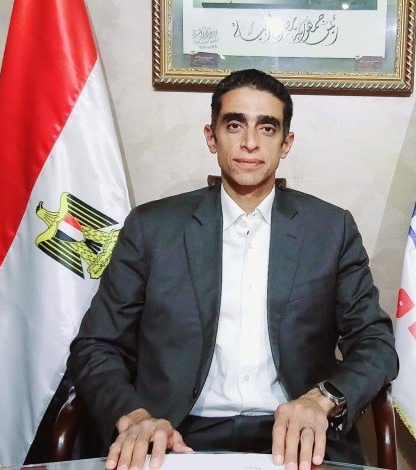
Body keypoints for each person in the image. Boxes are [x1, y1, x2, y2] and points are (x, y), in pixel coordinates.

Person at [67, 69, 398, 470]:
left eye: (267, 128)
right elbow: (96, 345)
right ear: (211, 137)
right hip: (175, 435)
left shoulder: (331, 230)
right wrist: (134, 416)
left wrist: (321, 399)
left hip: (297, 437)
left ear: (286, 143)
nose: (250, 142)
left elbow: (375, 342)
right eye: (235, 125)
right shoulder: (151, 228)